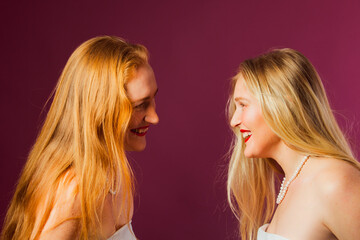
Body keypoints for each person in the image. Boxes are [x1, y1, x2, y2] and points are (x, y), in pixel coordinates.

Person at [1, 36, 159, 240]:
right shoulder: (75, 191)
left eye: (154, 98)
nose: (154, 117)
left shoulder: (116, 173)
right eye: (139, 105)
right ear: (99, 110)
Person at [226, 48, 360, 240]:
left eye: (243, 105)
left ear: (284, 104)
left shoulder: (333, 182)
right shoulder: (290, 185)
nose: (234, 121)